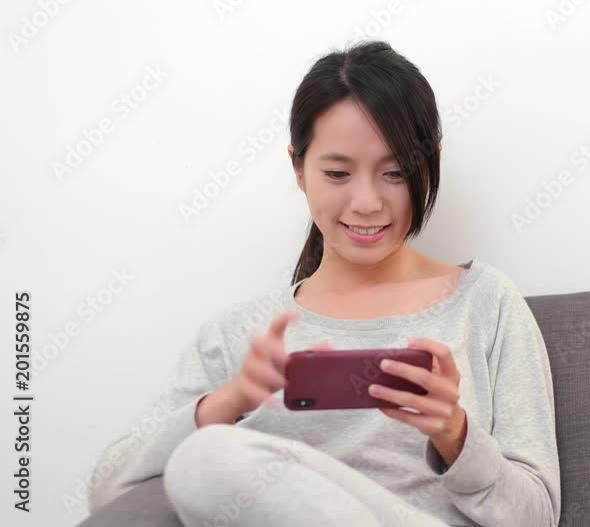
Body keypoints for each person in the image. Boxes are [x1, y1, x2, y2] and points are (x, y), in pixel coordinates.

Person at [86, 40, 561, 527]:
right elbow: (108, 489)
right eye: (337, 173)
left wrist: (455, 434)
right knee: (206, 459)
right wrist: (230, 402)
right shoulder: (240, 337)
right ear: (298, 167)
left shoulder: (487, 304)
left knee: (207, 459)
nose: (367, 202)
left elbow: (537, 517)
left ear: (430, 163)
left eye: (395, 172)